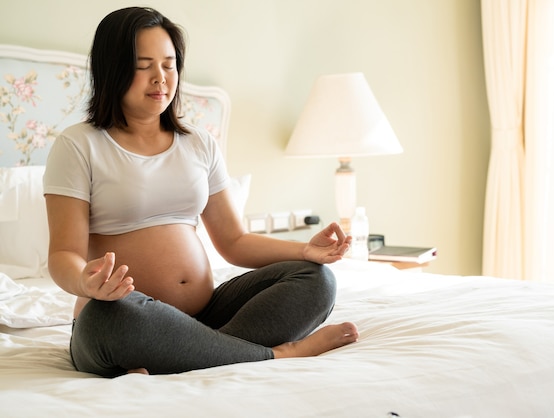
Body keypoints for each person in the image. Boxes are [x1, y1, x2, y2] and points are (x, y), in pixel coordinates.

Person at [43, 6, 358, 378]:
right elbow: (64, 254)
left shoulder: (198, 143)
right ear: (112, 69)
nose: (160, 78)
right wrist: (85, 282)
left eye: (169, 64)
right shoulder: (79, 145)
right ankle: (277, 356)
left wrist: (304, 250)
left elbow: (234, 241)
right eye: (144, 65)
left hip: (206, 314)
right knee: (105, 323)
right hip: (124, 313)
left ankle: (191, 352)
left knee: (315, 279)